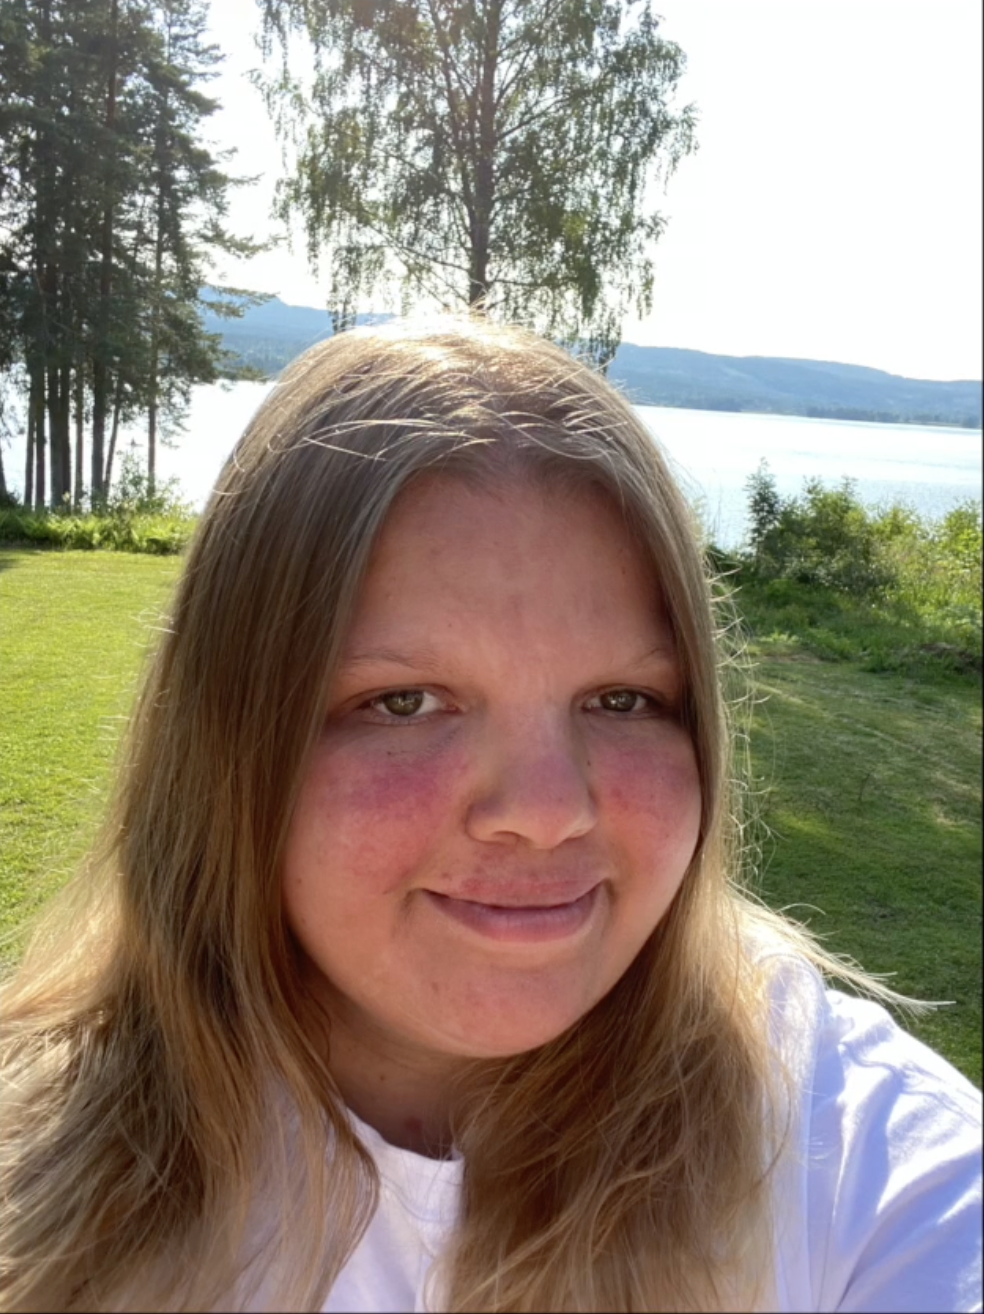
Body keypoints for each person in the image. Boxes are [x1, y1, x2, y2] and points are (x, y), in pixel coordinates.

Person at [0, 317, 980, 1314]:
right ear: (227, 743)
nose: (547, 814)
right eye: (405, 702)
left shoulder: (856, 1155)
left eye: (623, 701)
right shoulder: (27, 1175)